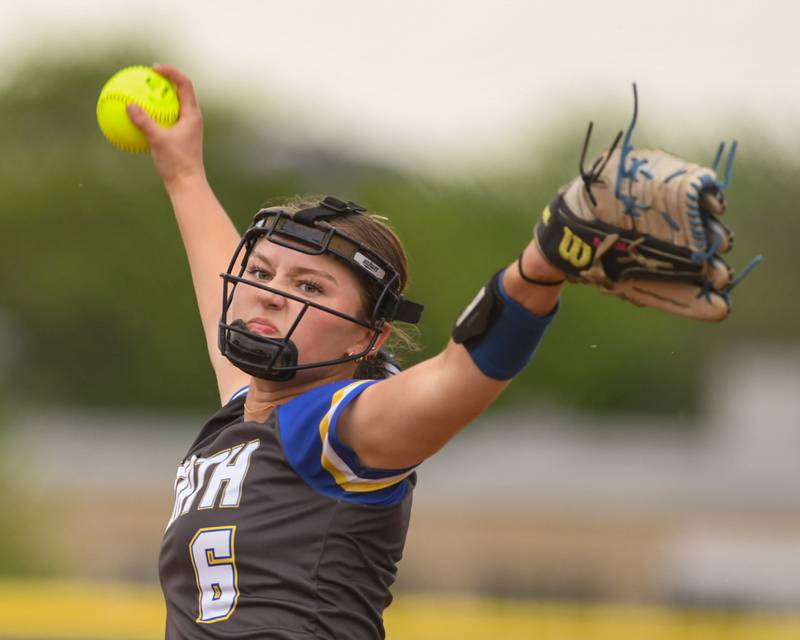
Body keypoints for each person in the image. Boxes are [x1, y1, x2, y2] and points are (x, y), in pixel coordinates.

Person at [128, 66, 741, 639]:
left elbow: (461, 373)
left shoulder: (339, 427)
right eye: (260, 273)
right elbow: (222, 281)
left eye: (309, 287)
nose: (269, 297)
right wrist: (183, 173)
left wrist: (541, 267)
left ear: (366, 337)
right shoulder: (242, 415)